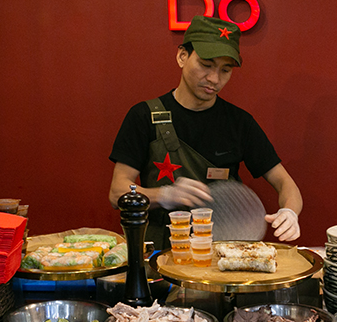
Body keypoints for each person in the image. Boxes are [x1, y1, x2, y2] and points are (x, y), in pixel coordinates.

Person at [108, 14, 303, 251]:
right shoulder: (143, 116)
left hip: (224, 251)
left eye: (225, 70)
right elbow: (117, 192)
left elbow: (286, 184)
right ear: (182, 56)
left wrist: (289, 212)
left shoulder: (239, 123)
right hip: (163, 251)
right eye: (206, 65)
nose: (214, 78)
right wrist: (164, 195)